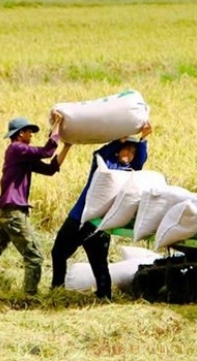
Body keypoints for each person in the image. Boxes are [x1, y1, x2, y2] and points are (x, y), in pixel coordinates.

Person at [0, 112, 72, 295]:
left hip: (4, 212)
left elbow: (50, 169)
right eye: (29, 132)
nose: (31, 135)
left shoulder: (23, 158)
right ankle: (29, 297)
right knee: (34, 256)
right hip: (12, 214)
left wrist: (67, 146)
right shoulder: (16, 149)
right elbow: (46, 151)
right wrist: (56, 127)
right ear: (20, 134)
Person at [50, 122, 152, 299]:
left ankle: (103, 295)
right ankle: (58, 289)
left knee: (97, 261)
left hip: (91, 222)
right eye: (126, 150)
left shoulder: (129, 172)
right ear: (118, 151)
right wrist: (118, 141)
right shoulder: (105, 166)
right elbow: (99, 154)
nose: (129, 154)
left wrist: (143, 139)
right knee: (60, 253)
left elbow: (141, 159)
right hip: (85, 218)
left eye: (132, 152)